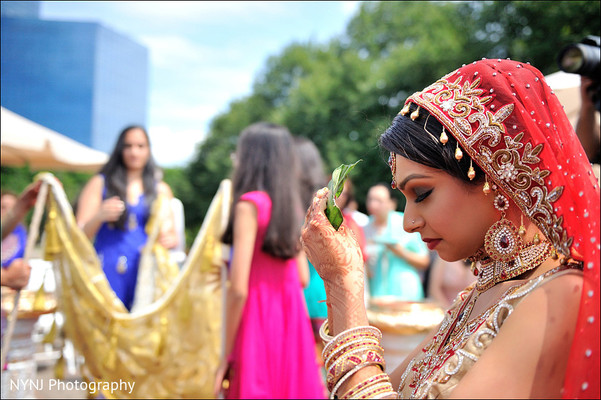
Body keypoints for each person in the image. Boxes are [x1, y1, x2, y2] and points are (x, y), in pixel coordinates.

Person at [300, 59, 599, 399]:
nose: (408, 222)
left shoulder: (561, 294)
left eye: (422, 193)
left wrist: (344, 283)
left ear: (497, 178)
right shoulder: (473, 299)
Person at [213, 123, 325, 399]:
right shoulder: (291, 206)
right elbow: (301, 277)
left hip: (257, 320)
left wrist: (223, 354)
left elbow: (238, 288)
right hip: (291, 320)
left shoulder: (249, 205)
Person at [75, 125, 178, 311]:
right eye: (128, 146)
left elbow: (170, 233)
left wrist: (170, 239)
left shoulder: (160, 190)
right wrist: (99, 216)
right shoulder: (100, 183)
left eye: (140, 146)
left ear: (148, 150)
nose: (134, 152)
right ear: (120, 149)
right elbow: (77, 236)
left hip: (145, 272)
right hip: (107, 269)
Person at [363, 182, 430, 301]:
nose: (373, 204)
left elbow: (424, 261)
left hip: (405, 294)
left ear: (391, 203)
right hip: (377, 295)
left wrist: (400, 252)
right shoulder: (365, 227)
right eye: (370, 199)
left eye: (378, 200)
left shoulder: (405, 224)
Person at [1, 181, 41, 289]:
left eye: (11, 207)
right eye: (3, 207)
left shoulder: (21, 232)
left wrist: (23, 203)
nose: (7, 211)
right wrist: (6, 278)